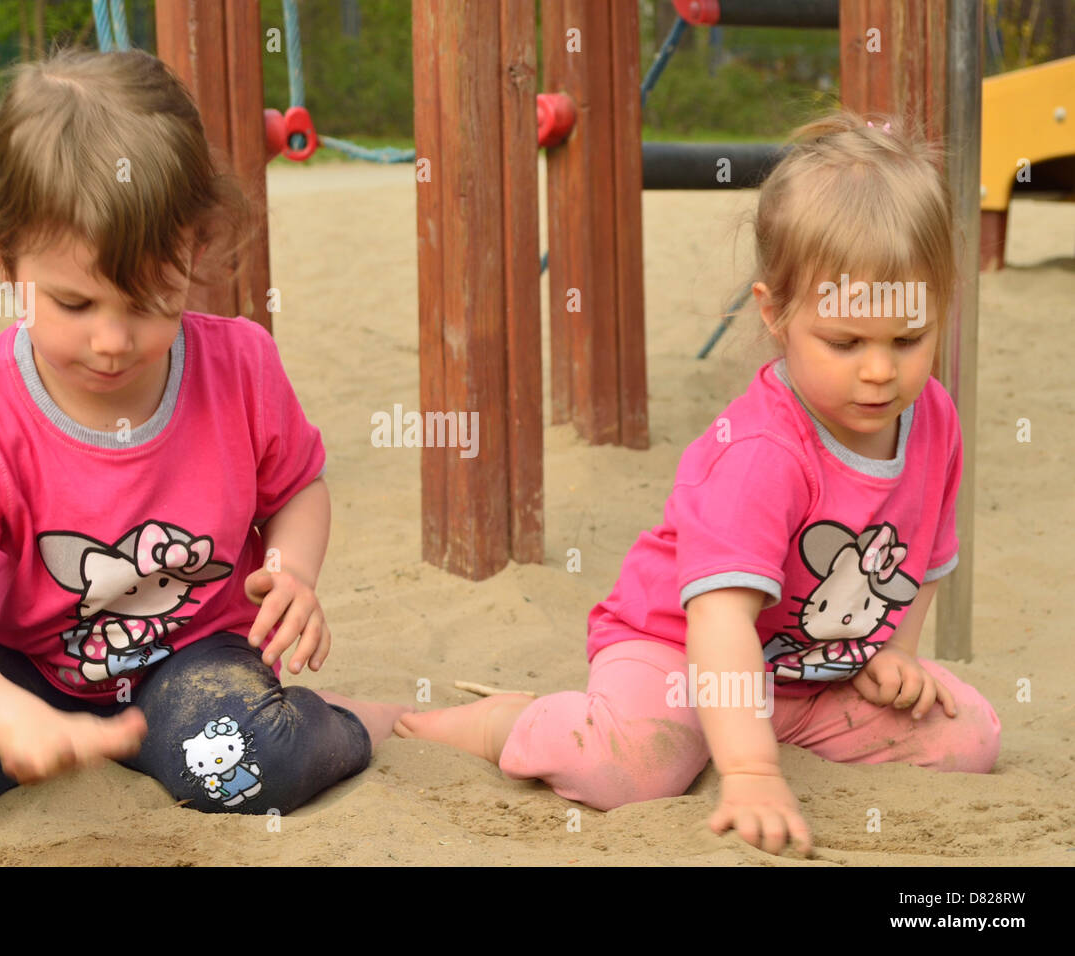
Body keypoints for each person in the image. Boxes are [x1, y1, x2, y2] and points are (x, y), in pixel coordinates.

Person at [0, 47, 408, 829]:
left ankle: (341, 719)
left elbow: (297, 489)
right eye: (76, 304)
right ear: (2, 255)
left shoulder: (243, 367)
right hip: (25, 671)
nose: (113, 340)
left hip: (191, 658)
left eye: (149, 299)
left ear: (196, 245)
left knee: (253, 768)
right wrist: (18, 722)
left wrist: (292, 572)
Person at [396, 110, 1001, 857]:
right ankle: (507, 723)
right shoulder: (761, 452)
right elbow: (719, 621)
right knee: (623, 769)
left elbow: (925, 558)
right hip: (680, 654)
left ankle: (740, 734)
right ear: (775, 314)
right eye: (845, 342)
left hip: (805, 677)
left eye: (908, 339)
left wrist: (893, 654)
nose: (880, 371)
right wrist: (748, 771)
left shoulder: (933, 417)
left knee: (968, 737)